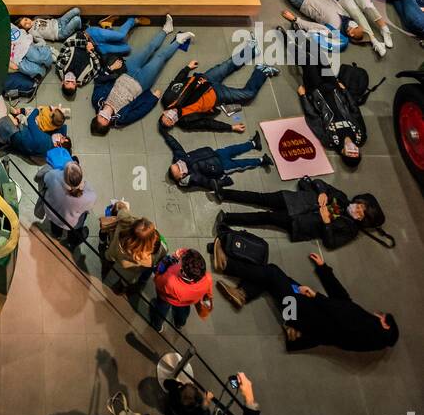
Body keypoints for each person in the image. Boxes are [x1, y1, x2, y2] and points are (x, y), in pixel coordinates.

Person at [213, 245, 399, 354]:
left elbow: (340, 310)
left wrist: (315, 295)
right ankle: (242, 294)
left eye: (382, 316)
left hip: (296, 311)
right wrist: (324, 269)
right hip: (296, 315)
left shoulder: (363, 325)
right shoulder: (364, 339)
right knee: (274, 281)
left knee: (271, 272)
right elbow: (343, 299)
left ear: (385, 325)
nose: (377, 313)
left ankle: (226, 265)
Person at [215, 178, 385, 249]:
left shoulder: (350, 230)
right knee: (259, 197)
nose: (357, 209)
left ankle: (228, 218)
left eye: (361, 213)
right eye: (360, 206)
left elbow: (331, 243)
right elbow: (318, 182)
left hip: (298, 222)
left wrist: (326, 223)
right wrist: (322, 192)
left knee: (264, 217)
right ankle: (224, 193)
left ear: (363, 220)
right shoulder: (342, 198)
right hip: (295, 200)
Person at [158, 42, 278, 131]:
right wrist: (231, 127)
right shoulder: (186, 122)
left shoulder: (167, 98)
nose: (170, 117)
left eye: (166, 117)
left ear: (164, 112)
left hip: (204, 80)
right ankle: (261, 71)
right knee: (248, 95)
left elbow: (177, 81)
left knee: (228, 65)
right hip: (216, 95)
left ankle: (251, 49)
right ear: (174, 124)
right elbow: (207, 124)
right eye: (170, 122)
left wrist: (187, 68)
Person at [163, 129, 271, 189]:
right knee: (241, 164)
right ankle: (261, 161)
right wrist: (221, 182)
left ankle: (253, 144)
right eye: (179, 168)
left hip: (215, 153)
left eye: (177, 164)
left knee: (234, 148)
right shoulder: (192, 177)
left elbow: (176, 146)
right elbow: (206, 182)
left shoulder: (180, 158)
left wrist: (166, 135)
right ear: (181, 176)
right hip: (221, 167)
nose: (181, 164)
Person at [99, 208, 165, 291]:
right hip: (131, 270)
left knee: (108, 258)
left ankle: (105, 268)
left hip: (114, 253)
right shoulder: (150, 257)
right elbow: (159, 256)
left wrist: (122, 206)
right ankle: (120, 287)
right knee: (127, 278)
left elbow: (122, 213)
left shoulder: (124, 225)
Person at [35, 159, 97, 244]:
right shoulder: (89, 196)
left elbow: (45, 177)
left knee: (55, 227)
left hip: (52, 214)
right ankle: (73, 241)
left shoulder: (53, 176)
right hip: (71, 223)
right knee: (75, 231)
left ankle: (57, 234)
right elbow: (90, 206)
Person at [152, 247, 212, 331]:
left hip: (167, 299)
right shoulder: (207, 278)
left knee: (161, 311)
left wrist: (170, 261)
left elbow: (158, 282)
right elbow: (208, 293)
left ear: (183, 271)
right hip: (187, 302)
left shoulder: (170, 280)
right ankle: (179, 323)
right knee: (182, 313)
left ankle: (157, 326)